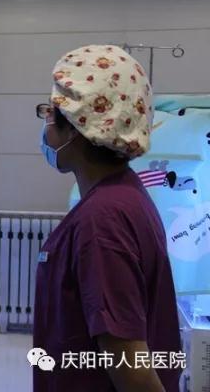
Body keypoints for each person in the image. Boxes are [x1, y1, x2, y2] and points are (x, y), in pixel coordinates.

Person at [33, 45, 181, 391]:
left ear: (76, 127)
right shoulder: (124, 195)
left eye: (50, 114)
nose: (45, 127)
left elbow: (132, 369)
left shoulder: (102, 220)